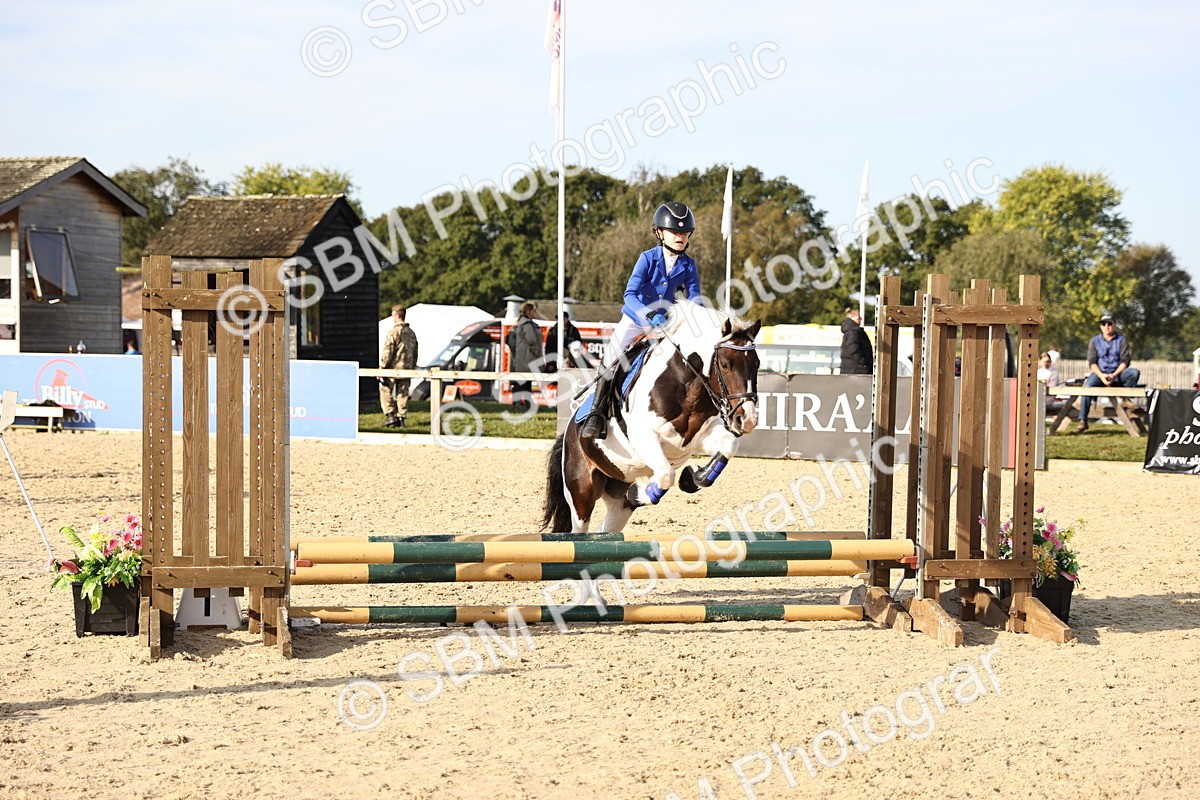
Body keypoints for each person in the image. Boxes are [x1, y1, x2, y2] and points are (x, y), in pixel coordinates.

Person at [580, 201, 702, 440]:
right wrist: (647, 314)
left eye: (685, 232)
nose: (680, 236)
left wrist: (697, 316)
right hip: (637, 318)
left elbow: (695, 295)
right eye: (675, 232)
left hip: (666, 321)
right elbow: (630, 294)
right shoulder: (647, 258)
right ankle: (596, 413)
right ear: (659, 232)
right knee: (612, 355)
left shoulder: (689, 265)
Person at [1076, 312, 1140, 433]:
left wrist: (1113, 375)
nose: (1106, 326)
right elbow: (1092, 363)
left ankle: (1125, 398)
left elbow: (1125, 361)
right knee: (1087, 387)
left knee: (1134, 373)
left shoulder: (1122, 340)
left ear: (1114, 325)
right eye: (1103, 324)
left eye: (1109, 323)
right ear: (1101, 326)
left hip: (1117, 374)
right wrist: (1102, 376)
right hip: (1100, 374)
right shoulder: (1094, 341)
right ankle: (1083, 420)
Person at [379, 304, 419, 427]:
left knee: (385, 390)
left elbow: (388, 351)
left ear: (396, 315)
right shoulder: (411, 333)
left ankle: (390, 416)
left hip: (392, 368)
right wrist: (412, 365)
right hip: (407, 368)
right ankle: (401, 418)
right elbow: (415, 351)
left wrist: (382, 367)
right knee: (403, 394)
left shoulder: (394, 332)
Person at [507, 301, 544, 411]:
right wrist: (537, 353)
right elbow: (531, 341)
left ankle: (526, 404)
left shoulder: (524, 323)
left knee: (525, 382)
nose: (536, 312)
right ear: (529, 312)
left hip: (524, 359)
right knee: (522, 383)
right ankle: (519, 404)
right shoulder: (527, 325)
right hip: (527, 359)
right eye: (534, 310)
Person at [839, 307, 874, 374]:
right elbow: (852, 347)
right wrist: (863, 362)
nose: (861, 319)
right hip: (857, 369)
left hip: (851, 368)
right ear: (853, 319)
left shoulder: (849, 331)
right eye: (859, 318)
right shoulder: (853, 331)